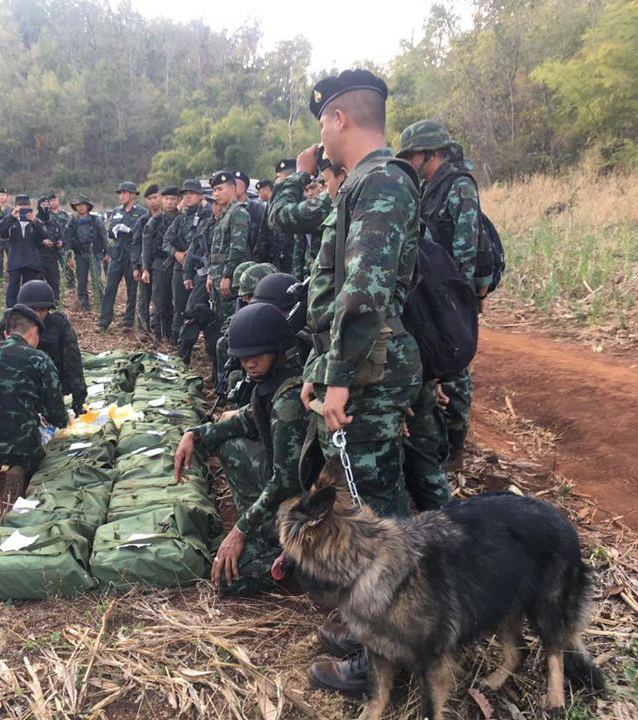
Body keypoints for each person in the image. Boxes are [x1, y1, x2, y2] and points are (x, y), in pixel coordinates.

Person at [272, 69, 423, 696]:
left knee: (377, 524)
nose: (320, 141)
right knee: (373, 508)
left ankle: (386, 652)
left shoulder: (382, 181)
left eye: (321, 125)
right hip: (352, 366)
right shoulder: (363, 182)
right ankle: (373, 629)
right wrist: (318, 370)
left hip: (368, 372)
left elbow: (362, 294)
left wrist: (336, 379)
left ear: (338, 119)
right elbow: (333, 295)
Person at [174, 303, 309, 595]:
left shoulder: (290, 401)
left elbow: (286, 482)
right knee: (229, 444)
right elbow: (246, 421)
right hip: (289, 499)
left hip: (306, 510)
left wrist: (240, 529)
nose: (249, 364)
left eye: (256, 355)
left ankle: (296, 567)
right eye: (244, 358)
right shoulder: (272, 384)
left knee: (230, 580)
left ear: (277, 349)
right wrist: (195, 435)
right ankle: (268, 537)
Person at [397, 119, 490, 476]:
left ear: (432, 154)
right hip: (431, 288)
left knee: (454, 368)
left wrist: (458, 302)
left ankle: (457, 443)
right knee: (435, 364)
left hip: (450, 292)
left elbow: (466, 247)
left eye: (413, 156)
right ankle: (437, 438)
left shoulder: (459, 187)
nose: (411, 162)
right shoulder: (426, 188)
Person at [0, 303, 70, 513]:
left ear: (7, 334)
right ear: (34, 332)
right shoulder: (40, 359)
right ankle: (18, 468)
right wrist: (65, 422)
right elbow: (55, 412)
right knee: (24, 431)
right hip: (19, 443)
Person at [10, 280, 87, 416]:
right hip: (21, 386)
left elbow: (73, 362)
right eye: (33, 310)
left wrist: (78, 399)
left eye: (43, 310)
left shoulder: (59, 325)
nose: (38, 315)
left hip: (53, 385)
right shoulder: (12, 324)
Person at [164, 178, 212, 349]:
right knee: (180, 307)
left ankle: (204, 342)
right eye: (185, 194)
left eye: (192, 194)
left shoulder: (209, 216)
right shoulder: (179, 220)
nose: (188, 197)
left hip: (202, 268)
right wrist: (176, 253)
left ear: (200, 196)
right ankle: (179, 341)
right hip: (182, 268)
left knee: (201, 308)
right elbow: (166, 242)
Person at [206, 172, 250, 346]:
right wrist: (211, 273)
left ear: (232, 188)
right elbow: (216, 249)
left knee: (230, 324)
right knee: (220, 321)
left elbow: (237, 248)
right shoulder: (224, 215)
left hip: (228, 278)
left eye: (219, 189)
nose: (216, 194)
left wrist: (227, 275)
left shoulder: (238, 213)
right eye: (214, 190)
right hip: (217, 277)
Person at [98, 181, 146, 333]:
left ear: (132, 194)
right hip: (117, 254)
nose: (121, 196)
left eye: (124, 193)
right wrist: (114, 231)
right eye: (120, 193)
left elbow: (143, 234)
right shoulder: (116, 211)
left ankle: (128, 322)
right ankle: (104, 321)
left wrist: (130, 230)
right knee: (110, 287)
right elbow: (111, 232)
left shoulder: (142, 213)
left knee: (132, 289)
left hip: (132, 255)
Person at [141, 186, 181, 344]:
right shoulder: (154, 221)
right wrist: (145, 268)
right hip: (159, 264)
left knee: (176, 301)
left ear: (178, 201)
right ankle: (159, 335)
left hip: (178, 263)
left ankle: (173, 335)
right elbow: (146, 246)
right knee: (159, 301)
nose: (170, 202)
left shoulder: (182, 219)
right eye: (167, 199)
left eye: (173, 199)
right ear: (162, 200)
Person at [0, 195, 48, 307]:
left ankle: (28, 310)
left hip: (31, 261)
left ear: (29, 206)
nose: (23, 207)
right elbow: (0, 231)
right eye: (20, 205)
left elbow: (44, 235)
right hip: (15, 260)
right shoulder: (11, 221)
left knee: (29, 289)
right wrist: (11, 217)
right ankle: (11, 311)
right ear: (15, 206)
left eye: (25, 205)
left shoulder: (36, 221)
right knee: (13, 287)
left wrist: (34, 222)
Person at [62, 195, 107, 312]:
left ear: (87, 206)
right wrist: (68, 257)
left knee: (96, 281)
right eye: (78, 205)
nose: (81, 207)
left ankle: (102, 305)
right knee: (81, 282)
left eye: (83, 205)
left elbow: (103, 237)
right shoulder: (72, 222)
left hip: (95, 254)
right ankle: (84, 305)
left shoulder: (95, 221)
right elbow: (67, 240)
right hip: (80, 255)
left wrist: (107, 253)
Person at [132, 184, 162, 336]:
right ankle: (143, 329)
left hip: (162, 264)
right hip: (144, 264)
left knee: (160, 298)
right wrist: (135, 267)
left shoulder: (167, 218)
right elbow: (136, 243)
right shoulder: (143, 220)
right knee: (144, 297)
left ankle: (159, 328)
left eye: (155, 198)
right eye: (149, 199)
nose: (153, 201)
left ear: (160, 197)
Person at [36, 195, 64, 300]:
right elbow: (31, 239)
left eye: (48, 204)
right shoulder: (34, 221)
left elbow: (62, 236)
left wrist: (61, 242)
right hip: (39, 257)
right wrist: (42, 242)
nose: (46, 207)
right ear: (38, 206)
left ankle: (55, 305)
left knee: (54, 283)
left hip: (52, 257)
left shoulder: (54, 221)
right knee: (38, 285)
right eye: (43, 205)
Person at [234, 170, 265, 261]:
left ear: (242, 188)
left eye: (233, 185)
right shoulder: (228, 210)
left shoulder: (257, 209)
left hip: (253, 261)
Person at [49, 194, 74, 289]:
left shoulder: (65, 214)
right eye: (51, 201)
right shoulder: (47, 215)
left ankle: (71, 285)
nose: (53, 202)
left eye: (55, 200)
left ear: (58, 201)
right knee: (51, 268)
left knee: (67, 266)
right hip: (51, 245)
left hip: (63, 245)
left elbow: (70, 230)